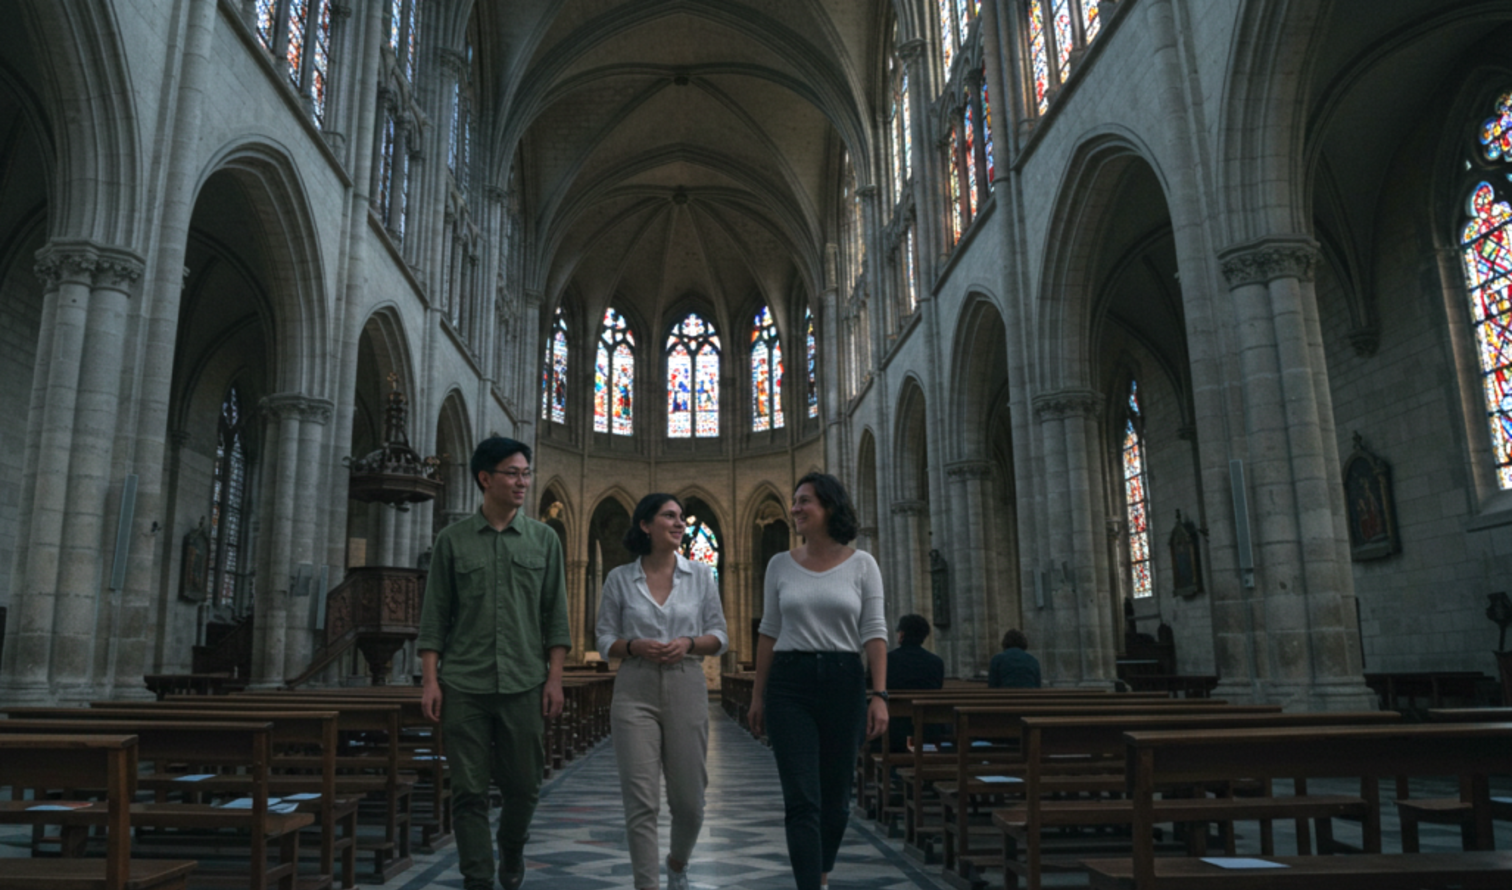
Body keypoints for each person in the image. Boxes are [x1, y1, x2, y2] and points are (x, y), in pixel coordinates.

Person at [417, 437, 571, 890]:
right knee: (467, 791)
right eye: (513, 473)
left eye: (526, 473)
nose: (523, 481)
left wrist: (555, 679)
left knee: (524, 787)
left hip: (524, 682)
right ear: (485, 478)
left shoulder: (544, 541)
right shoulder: (452, 541)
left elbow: (555, 618)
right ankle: (478, 878)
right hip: (464, 683)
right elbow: (434, 618)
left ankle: (511, 847)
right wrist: (430, 680)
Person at [748, 472, 888, 890]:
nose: (794, 508)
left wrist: (879, 694)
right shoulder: (779, 565)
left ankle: (821, 876)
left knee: (836, 801)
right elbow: (769, 631)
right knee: (802, 800)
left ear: (829, 507)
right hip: (789, 686)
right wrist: (758, 695)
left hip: (844, 680)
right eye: (794, 501)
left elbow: (875, 631)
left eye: (804, 500)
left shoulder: (863, 564)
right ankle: (810, 885)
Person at [595, 493, 729, 890]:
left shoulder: (701, 576)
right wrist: (634, 646)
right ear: (645, 525)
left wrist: (688, 643)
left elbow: (719, 635)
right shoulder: (620, 578)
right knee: (641, 802)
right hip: (634, 688)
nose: (678, 523)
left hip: (687, 684)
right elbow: (604, 638)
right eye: (668, 516)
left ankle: (677, 861)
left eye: (680, 518)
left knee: (690, 802)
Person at [884, 613, 944, 752]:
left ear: (902, 634)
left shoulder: (887, 660)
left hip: (892, 730)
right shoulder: (936, 662)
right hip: (927, 729)